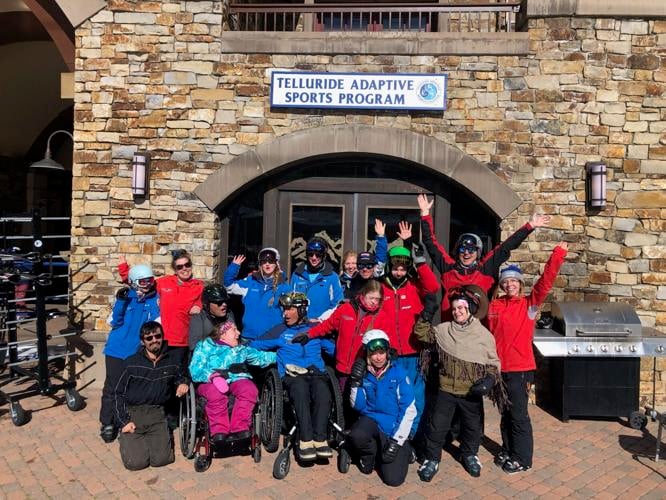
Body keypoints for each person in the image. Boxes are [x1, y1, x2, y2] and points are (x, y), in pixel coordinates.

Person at [486, 242, 568, 474]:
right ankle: (508, 448)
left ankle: (522, 458)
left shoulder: (529, 305)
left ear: (520, 284)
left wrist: (558, 255)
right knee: (505, 413)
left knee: (518, 415)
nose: (510, 284)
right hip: (499, 369)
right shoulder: (495, 305)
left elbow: (546, 281)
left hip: (519, 369)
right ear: (501, 285)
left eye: (513, 281)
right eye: (506, 281)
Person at [414, 286, 506, 481]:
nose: (457, 312)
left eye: (461, 308)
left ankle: (470, 454)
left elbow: (493, 362)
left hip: (471, 392)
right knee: (437, 426)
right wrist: (427, 312)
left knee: (472, 427)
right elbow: (421, 334)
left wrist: (489, 380)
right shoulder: (443, 330)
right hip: (445, 389)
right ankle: (431, 459)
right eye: (455, 309)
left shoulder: (483, 335)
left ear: (470, 309)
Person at [417, 194, 551, 321]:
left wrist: (530, 226)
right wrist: (425, 214)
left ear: (478, 252)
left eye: (471, 250)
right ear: (458, 251)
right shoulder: (448, 268)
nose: (466, 253)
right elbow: (431, 244)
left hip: (479, 331)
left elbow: (506, 246)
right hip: (451, 329)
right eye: (463, 249)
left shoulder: (485, 268)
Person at [250, 292, 333, 461]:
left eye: (290, 309)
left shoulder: (315, 330)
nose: (285, 314)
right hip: (292, 375)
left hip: (315, 373)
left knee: (323, 392)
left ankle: (320, 439)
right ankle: (305, 439)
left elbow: (333, 350)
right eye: (284, 309)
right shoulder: (280, 330)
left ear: (302, 310)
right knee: (300, 391)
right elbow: (255, 344)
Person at [380, 221, 439, 435]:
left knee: (415, 395)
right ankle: (393, 433)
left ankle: (412, 435)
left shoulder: (414, 286)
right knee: (391, 394)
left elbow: (433, 287)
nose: (398, 271)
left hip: (413, 353)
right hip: (390, 353)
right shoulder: (381, 288)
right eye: (395, 267)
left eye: (403, 267)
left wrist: (421, 264)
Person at [113, 321, 189, 471]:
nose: (154, 340)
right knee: (136, 463)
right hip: (134, 415)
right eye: (149, 338)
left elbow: (181, 375)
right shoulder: (131, 363)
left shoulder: (171, 361)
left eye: (158, 336)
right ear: (143, 341)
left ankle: (150, 440)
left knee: (162, 460)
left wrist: (183, 382)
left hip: (157, 414)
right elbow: (117, 393)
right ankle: (126, 438)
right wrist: (124, 421)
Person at [292, 279, 390, 393]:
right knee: (342, 400)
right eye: (371, 298)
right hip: (342, 366)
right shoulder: (346, 309)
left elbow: (386, 341)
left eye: (377, 299)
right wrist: (309, 334)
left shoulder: (381, 317)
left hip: (364, 369)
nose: (374, 302)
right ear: (363, 295)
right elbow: (327, 325)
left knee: (359, 402)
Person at [347, 330, 417, 487]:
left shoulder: (398, 373)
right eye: (374, 354)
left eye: (382, 352)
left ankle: (406, 449)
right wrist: (355, 383)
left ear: (387, 352)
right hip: (371, 419)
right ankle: (369, 456)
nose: (378, 357)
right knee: (356, 436)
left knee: (393, 480)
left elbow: (409, 410)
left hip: (393, 425)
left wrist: (396, 441)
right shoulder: (365, 373)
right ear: (367, 354)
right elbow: (358, 406)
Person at [100, 264, 160, 443]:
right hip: (117, 350)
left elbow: (156, 322)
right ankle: (107, 422)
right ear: (134, 282)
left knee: (132, 388)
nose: (148, 284)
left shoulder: (154, 299)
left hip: (137, 351)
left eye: (150, 280)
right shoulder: (127, 297)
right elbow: (113, 321)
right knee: (112, 387)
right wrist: (120, 301)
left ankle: (127, 418)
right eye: (143, 281)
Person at [189, 320, 276, 444]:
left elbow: (262, 357)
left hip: (236, 379)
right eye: (234, 330)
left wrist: (284, 356)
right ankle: (219, 430)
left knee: (249, 389)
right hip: (208, 382)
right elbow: (195, 369)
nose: (239, 333)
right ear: (222, 333)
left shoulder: (241, 349)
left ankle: (240, 427)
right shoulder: (205, 346)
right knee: (216, 393)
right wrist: (212, 376)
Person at [118, 250, 204, 368]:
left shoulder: (198, 287)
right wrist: (124, 269)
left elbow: (205, 303)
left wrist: (199, 306)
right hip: (160, 340)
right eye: (180, 267)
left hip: (182, 341)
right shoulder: (164, 282)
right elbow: (141, 283)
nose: (184, 269)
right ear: (175, 269)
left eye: (187, 265)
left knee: (177, 377)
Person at [224, 247, 290, 341]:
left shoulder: (284, 287)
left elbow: (289, 314)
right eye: (264, 261)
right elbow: (229, 286)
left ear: (276, 264)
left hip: (271, 339)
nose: (267, 264)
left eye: (271, 261)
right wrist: (234, 266)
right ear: (260, 264)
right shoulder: (250, 282)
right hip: (248, 337)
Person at [290, 237, 344, 320]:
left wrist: (321, 319)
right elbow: (290, 301)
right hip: (298, 325)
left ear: (324, 256)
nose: (314, 258)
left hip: (321, 326)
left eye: (318, 254)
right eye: (310, 254)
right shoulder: (297, 275)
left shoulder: (332, 277)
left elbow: (338, 304)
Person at [341, 219, 389, 299]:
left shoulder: (376, 276)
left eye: (369, 265)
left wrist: (381, 237)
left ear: (374, 266)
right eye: (361, 265)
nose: (365, 269)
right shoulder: (352, 280)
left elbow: (381, 257)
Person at [188, 283, 235, 352]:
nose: (224, 305)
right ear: (207, 304)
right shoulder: (199, 318)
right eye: (219, 302)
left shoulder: (229, 314)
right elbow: (194, 346)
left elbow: (234, 340)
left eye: (225, 301)